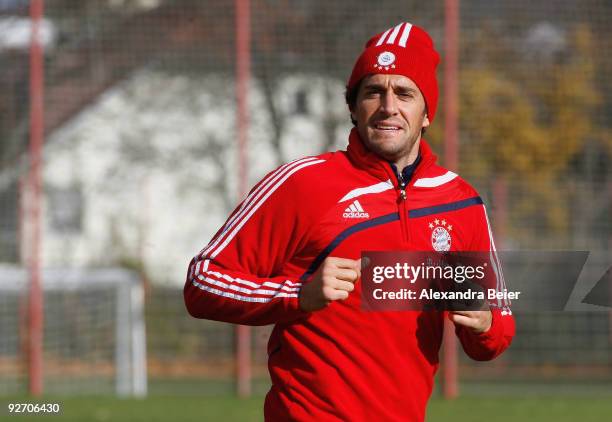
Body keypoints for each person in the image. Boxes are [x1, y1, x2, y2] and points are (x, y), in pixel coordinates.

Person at [184, 22, 514, 422]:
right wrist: (296, 294)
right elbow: (203, 281)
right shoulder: (303, 183)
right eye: (373, 91)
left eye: (404, 93)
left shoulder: (461, 203)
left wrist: (484, 321)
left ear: (427, 113)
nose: (388, 106)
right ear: (354, 107)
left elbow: (494, 334)